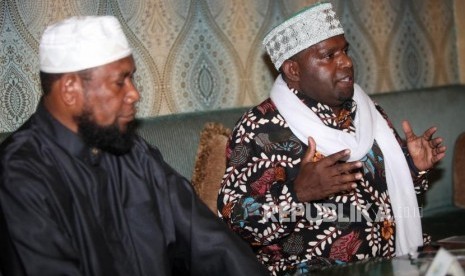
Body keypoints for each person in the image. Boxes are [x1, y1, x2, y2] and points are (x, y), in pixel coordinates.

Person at [0, 15, 268, 276]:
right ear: (70, 89)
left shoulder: (133, 152)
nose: (134, 94)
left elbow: (208, 240)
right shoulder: (18, 172)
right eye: (120, 82)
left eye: (132, 79)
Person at [217, 2, 446, 275]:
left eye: (345, 51)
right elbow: (233, 219)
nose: (346, 62)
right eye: (328, 55)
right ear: (293, 71)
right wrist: (297, 194)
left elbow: (394, 199)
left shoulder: (367, 112)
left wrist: (413, 168)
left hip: (390, 261)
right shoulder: (260, 128)